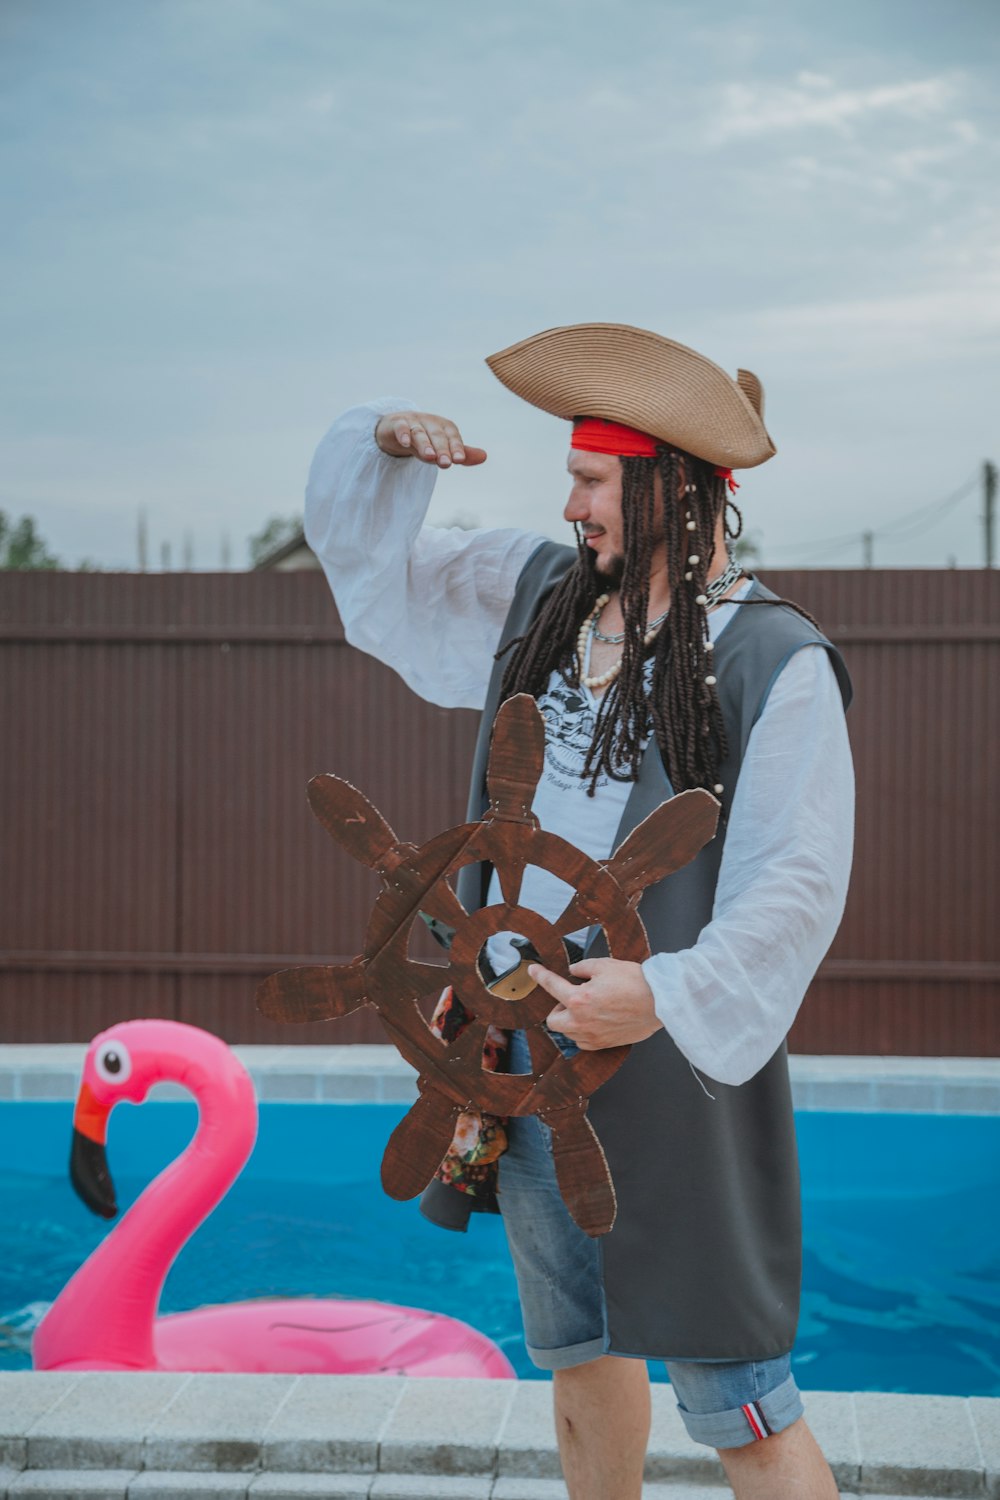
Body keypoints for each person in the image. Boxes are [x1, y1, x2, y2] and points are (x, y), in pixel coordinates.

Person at [304, 323, 854, 1500]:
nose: (573, 505)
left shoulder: (773, 660)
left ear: (669, 490)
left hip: (673, 1056)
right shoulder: (543, 593)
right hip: (526, 1049)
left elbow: (794, 889)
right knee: (582, 1358)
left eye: (593, 480)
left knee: (743, 1403)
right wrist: (381, 450)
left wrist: (656, 994)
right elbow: (380, 587)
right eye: (573, 478)